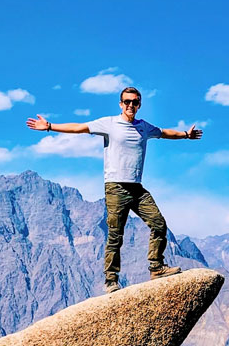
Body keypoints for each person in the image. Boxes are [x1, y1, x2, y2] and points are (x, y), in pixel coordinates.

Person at [27, 86, 202, 292]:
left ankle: (156, 267)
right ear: (121, 104)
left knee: (159, 224)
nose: (130, 105)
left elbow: (164, 132)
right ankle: (111, 280)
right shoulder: (109, 123)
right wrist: (49, 126)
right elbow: (79, 128)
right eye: (127, 101)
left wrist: (185, 135)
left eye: (134, 102)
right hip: (115, 187)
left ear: (139, 105)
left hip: (137, 188)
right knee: (115, 235)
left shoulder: (144, 127)